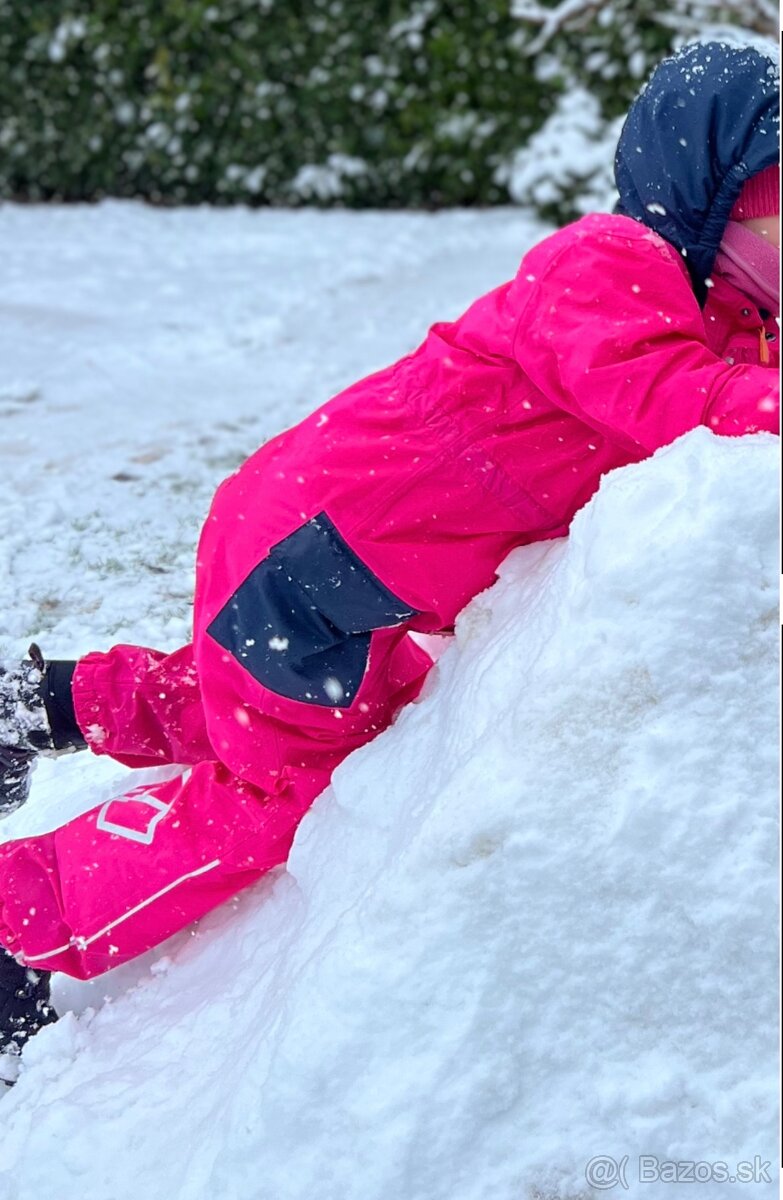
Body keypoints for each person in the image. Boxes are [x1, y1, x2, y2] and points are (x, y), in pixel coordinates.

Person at [0, 39, 779, 1074]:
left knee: (280, 708)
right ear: (708, 203)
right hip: (312, 564)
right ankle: (21, 927)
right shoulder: (606, 271)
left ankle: (43, 703)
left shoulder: (727, 309)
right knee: (282, 791)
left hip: (329, 552)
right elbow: (676, 403)